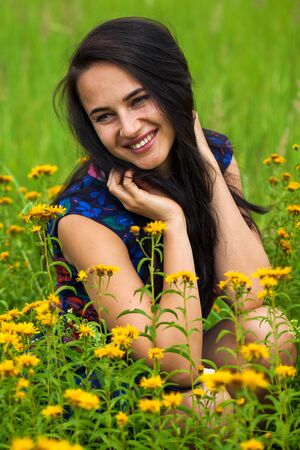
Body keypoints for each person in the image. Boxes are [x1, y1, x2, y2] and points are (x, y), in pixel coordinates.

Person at [50, 17, 296, 400]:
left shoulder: (212, 155)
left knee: (269, 332)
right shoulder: (83, 217)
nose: (129, 128)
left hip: (186, 355)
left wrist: (204, 163)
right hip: (111, 390)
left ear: (174, 89)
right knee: (209, 406)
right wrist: (172, 222)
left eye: (139, 99)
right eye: (105, 116)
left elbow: (249, 294)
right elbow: (174, 365)